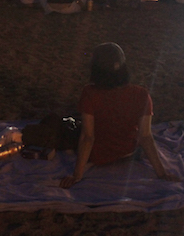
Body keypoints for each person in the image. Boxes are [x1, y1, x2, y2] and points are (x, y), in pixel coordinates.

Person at [60, 42, 176, 188]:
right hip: (128, 152)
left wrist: (77, 175)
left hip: (98, 156)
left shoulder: (90, 93)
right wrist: (162, 174)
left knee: (70, 127)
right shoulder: (141, 94)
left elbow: (88, 137)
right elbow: (145, 136)